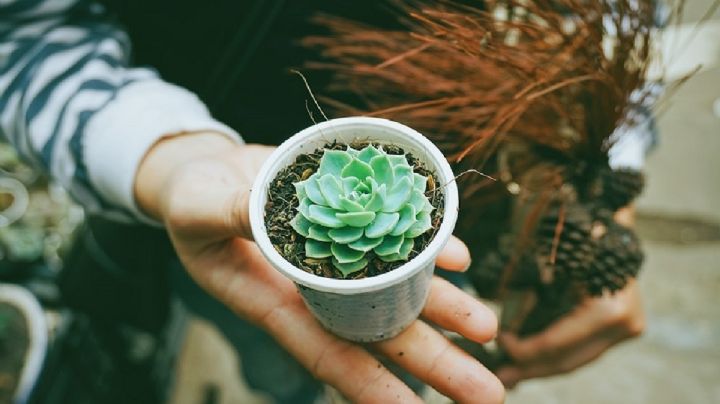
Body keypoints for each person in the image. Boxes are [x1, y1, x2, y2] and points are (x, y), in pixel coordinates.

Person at [0, 0, 646, 402]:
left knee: (452, 343)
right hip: (212, 198)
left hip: (492, 161)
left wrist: (600, 177)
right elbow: (24, 35)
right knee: (280, 359)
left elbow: (606, 23)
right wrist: (168, 157)